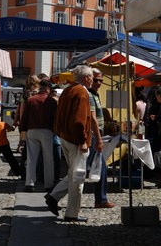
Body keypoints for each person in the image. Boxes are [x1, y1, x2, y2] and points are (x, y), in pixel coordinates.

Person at [44, 65, 94, 222]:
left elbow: (60, 115)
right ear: (86, 77)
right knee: (78, 177)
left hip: (65, 137)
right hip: (75, 140)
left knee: (73, 172)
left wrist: (60, 132)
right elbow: (79, 120)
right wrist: (82, 141)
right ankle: (72, 213)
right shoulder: (81, 92)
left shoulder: (67, 90)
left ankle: (53, 196)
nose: (93, 79)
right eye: (92, 76)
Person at [19, 79, 57, 192]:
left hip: (32, 130)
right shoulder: (51, 101)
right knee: (48, 158)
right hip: (46, 131)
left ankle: (29, 183)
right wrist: (55, 130)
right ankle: (49, 184)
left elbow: (24, 117)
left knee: (31, 158)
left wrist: (22, 130)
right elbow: (55, 118)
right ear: (47, 89)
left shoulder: (31, 100)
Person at [87, 68, 114, 209]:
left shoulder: (95, 95)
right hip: (91, 136)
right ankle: (55, 194)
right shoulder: (90, 95)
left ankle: (101, 200)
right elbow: (92, 118)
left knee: (99, 168)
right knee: (83, 169)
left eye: (101, 80)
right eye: (96, 80)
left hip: (95, 136)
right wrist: (98, 139)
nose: (98, 83)